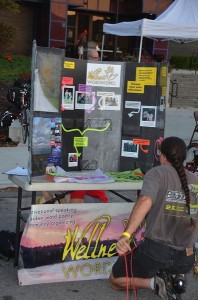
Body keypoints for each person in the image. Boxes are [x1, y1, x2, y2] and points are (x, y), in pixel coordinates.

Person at [109, 136, 198, 299]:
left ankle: (154, 283)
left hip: (155, 252)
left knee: (115, 280)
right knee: (172, 260)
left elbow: (144, 201)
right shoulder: (195, 179)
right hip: (186, 257)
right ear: (184, 157)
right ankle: (177, 275)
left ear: (162, 155)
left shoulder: (156, 173)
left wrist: (126, 235)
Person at [39, 190, 108, 204]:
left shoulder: (77, 184)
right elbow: (49, 202)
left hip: (99, 203)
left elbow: (75, 207)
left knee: (68, 197)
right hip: (75, 196)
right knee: (42, 200)